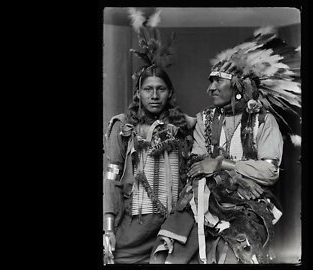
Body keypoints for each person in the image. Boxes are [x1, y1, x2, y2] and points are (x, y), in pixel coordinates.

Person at [150, 26, 301, 264]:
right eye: (210, 82)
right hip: (205, 199)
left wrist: (222, 163)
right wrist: (210, 169)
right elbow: (197, 164)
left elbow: (269, 171)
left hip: (250, 204)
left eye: (217, 82)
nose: (210, 89)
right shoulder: (206, 119)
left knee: (233, 254)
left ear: (239, 86)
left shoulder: (263, 121)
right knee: (165, 251)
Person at [102, 8, 195, 264]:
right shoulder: (122, 127)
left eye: (161, 89)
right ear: (139, 94)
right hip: (136, 224)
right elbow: (111, 178)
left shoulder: (183, 127)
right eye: (148, 90)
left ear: (169, 92)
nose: (154, 96)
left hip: (174, 225)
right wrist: (108, 227)